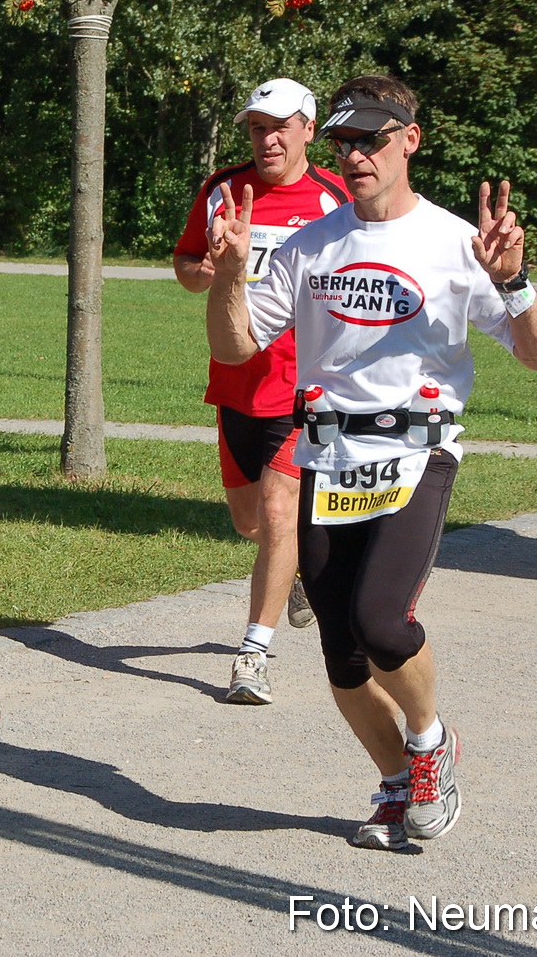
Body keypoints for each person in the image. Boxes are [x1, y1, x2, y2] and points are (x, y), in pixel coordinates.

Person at [204, 75, 537, 849]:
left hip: (416, 450)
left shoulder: (453, 242)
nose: (356, 155)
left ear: (410, 139)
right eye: (344, 142)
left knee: (381, 619)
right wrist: (231, 274)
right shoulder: (312, 245)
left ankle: (431, 741)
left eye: (371, 139)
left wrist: (513, 281)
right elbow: (235, 345)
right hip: (328, 454)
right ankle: (399, 783)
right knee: (341, 655)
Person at [173, 78, 351, 704]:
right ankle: (295, 569)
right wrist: (217, 267)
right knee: (250, 521)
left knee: (279, 512)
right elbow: (187, 267)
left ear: (307, 128)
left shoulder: (335, 198)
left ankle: (253, 654)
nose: (268, 139)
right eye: (256, 128)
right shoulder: (223, 189)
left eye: (280, 127)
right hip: (235, 383)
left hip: (306, 389)